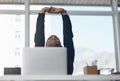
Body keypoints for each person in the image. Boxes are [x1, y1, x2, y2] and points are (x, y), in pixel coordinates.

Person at [34, 7, 75, 75]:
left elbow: (68, 37)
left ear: (61, 45)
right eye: (50, 38)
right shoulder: (40, 55)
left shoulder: (67, 55)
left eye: (56, 38)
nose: (53, 37)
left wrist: (64, 13)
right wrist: (42, 12)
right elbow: (39, 36)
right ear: (45, 45)